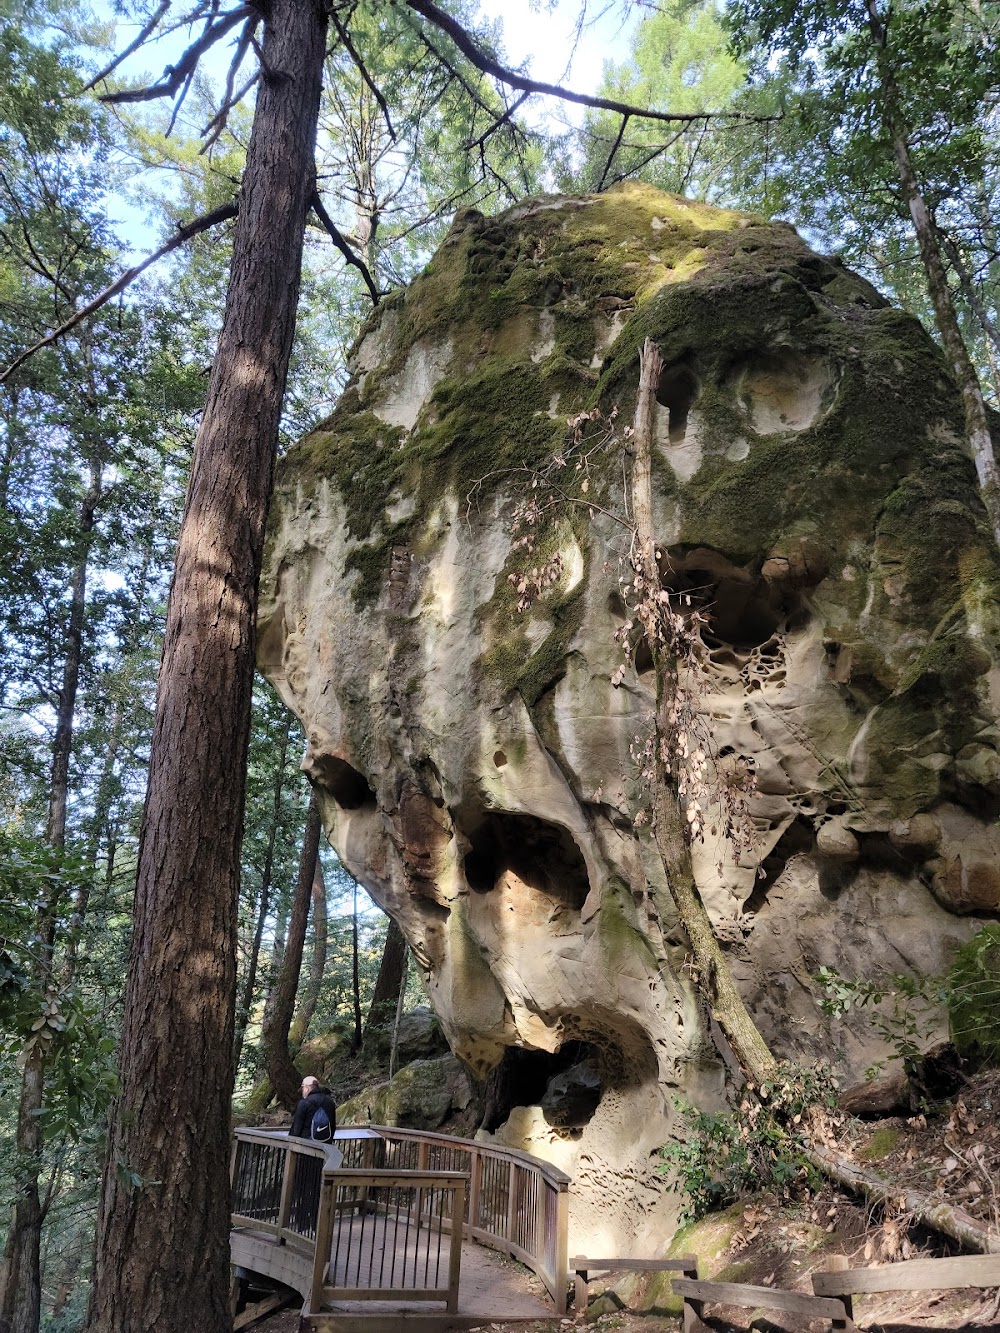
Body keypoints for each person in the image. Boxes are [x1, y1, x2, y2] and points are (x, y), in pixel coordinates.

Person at [290, 1074, 337, 1140]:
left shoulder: (304, 1103)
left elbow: (296, 1129)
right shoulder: (330, 1102)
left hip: (307, 1145)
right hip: (325, 1145)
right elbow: (332, 1125)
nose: (302, 1091)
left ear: (307, 1088)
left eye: (302, 1088)